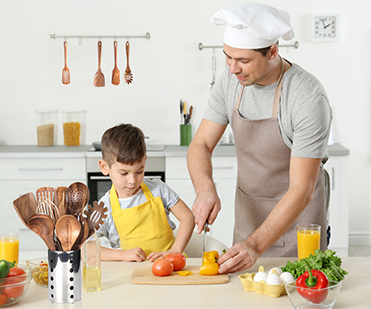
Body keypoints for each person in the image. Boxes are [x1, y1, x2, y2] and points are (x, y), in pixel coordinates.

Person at [187, 3, 332, 273]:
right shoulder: (230, 82)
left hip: (299, 229)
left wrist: (255, 245)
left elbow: (302, 190)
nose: (232, 69)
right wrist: (205, 187)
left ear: (273, 52)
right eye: (228, 57)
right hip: (248, 222)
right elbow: (201, 144)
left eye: (243, 61)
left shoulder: (307, 98)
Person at [96, 123, 195, 262]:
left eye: (139, 171)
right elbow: (82, 247)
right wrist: (121, 255)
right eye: (124, 173)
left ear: (145, 161)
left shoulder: (158, 189)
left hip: (171, 266)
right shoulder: (104, 207)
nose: (132, 180)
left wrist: (175, 250)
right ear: (104, 167)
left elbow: (188, 217)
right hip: (131, 274)